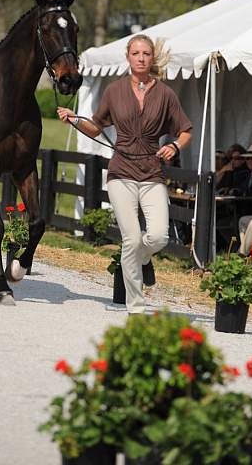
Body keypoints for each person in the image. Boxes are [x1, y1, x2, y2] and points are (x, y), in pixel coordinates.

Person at [57, 34, 192, 314]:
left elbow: (185, 130)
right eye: (136, 53)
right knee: (131, 239)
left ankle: (142, 259)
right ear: (128, 57)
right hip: (121, 172)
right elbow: (96, 127)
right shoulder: (114, 91)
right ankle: (136, 304)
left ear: (152, 58)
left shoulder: (166, 94)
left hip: (152, 173)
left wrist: (174, 146)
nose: (141, 58)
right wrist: (73, 119)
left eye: (146, 53)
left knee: (158, 238)